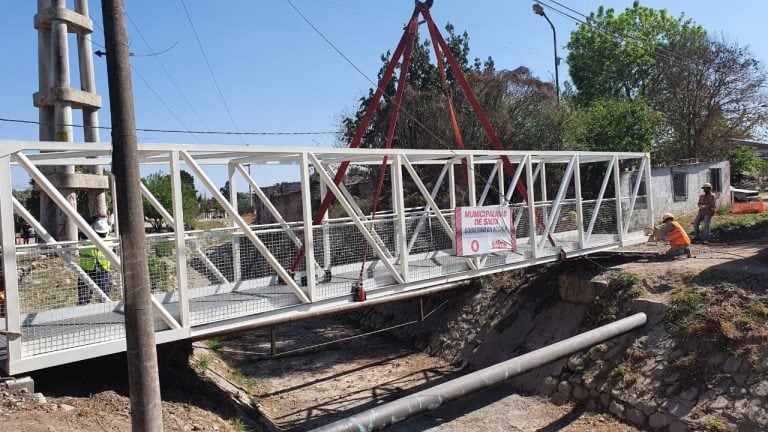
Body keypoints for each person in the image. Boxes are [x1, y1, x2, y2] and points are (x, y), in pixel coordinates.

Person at [77, 219, 112, 305]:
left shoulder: (110, 240)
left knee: (105, 297)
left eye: (103, 234)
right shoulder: (84, 239)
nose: (101, 236)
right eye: (100, 234)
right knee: (84, 298)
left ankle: (107, 313)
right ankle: (82, 313)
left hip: (103, 270)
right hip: (87, 270)